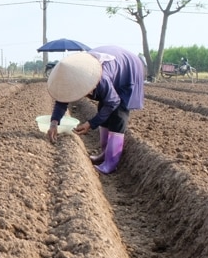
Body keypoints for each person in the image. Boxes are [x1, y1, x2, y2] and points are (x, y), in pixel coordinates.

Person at [45, 45, 145, 174]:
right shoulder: (70, 76)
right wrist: (54, 123)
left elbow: (113, 101)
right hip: (112, 69)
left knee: (118, 115)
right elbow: (62, 101)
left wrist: (90, 124)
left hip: (128, 70)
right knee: (103, 107)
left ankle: (111, 163)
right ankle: (104, 153)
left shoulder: (99, 77)